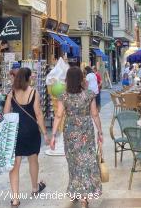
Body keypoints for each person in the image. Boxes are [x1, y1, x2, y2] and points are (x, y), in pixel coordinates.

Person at [51, 66, 102, 206]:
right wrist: (100, 132)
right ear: (81, 79)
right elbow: (95, 114)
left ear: (67, 79)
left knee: (73, 162)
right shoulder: (89, 94)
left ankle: (77, 192)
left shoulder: (64, 96)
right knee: (86, 162)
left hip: (71, 132)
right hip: (86, 131)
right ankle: (83, 196)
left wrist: (54, 135)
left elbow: (59, 115)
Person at [4, 68, 49, 207]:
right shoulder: (34, 92)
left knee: (15, 165)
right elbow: (39, 114)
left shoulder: (11, 93)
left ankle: (15, 199)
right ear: (28, 78)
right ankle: (35, 188)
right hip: (31, 130)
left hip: (16, 131)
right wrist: (45, 133)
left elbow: (5, 112)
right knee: (33, 159)